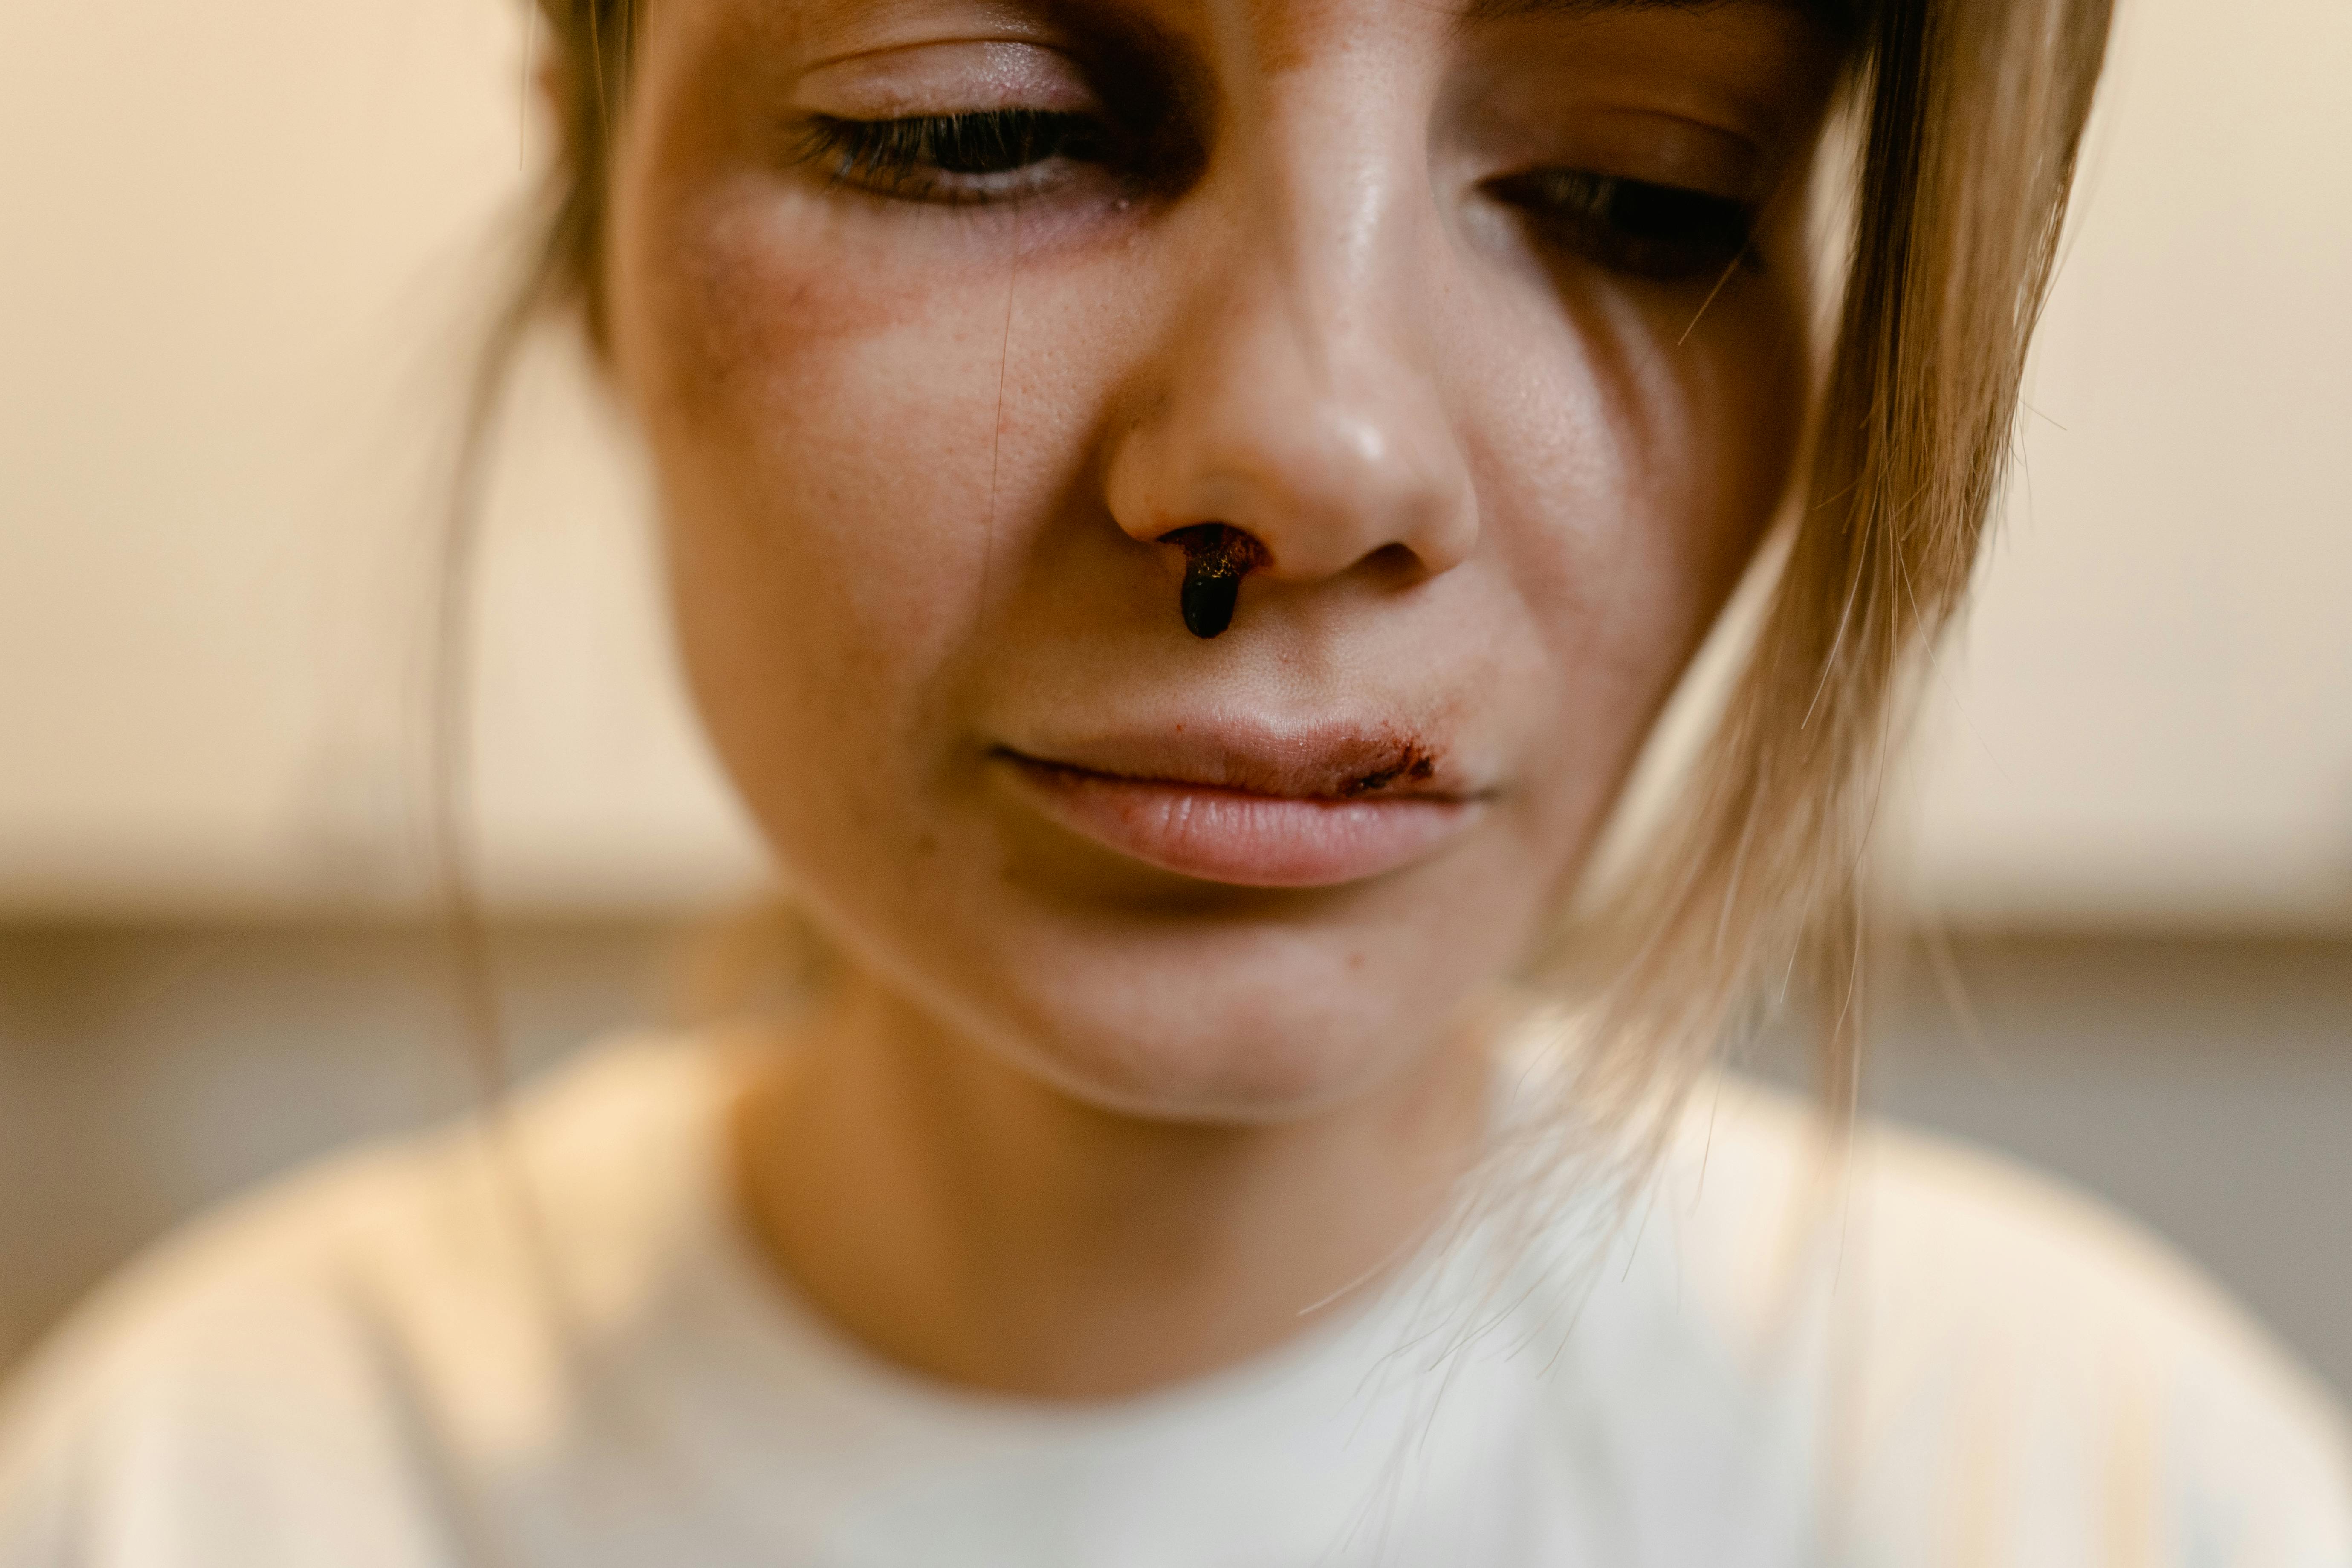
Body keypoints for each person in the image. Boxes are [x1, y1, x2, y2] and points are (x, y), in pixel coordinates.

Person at [3, 0, 2346, 1561]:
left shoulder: (2099, 1492)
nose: (1314, 452)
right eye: (972, 135)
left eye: (1646, 189)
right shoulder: (210, 1489)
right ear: (594, 199)